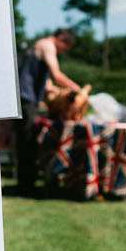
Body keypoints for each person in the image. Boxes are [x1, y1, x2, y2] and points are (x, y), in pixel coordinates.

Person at [15, 27, 80, 194]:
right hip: (26, 98)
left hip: (26, 98)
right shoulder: (48, 46)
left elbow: (47, 84)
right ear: (62, 40)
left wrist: (57, 91)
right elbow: (56, 75)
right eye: (64, 48)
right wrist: (76, 88)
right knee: (28, 140)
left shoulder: (40, 46)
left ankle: (27, 182)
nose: (62, 52)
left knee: (27, 139)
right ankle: (26, 186)